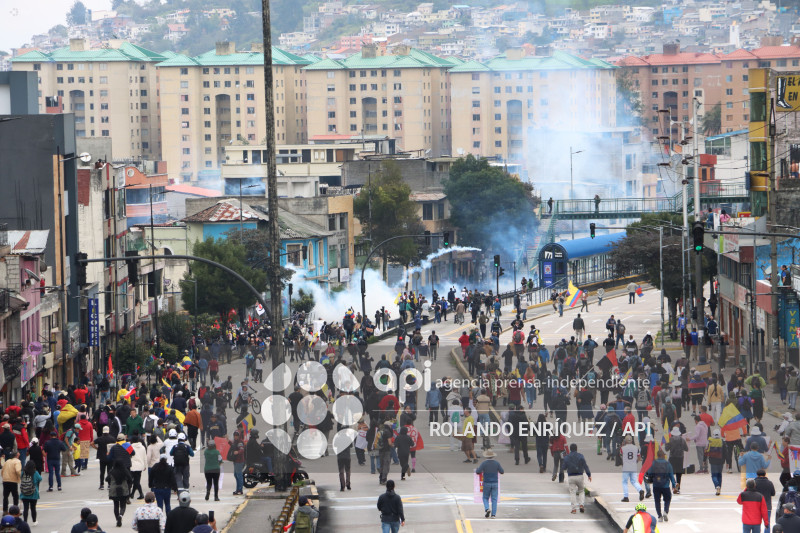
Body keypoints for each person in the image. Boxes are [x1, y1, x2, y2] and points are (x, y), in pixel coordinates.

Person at [646, 449, 676, 522]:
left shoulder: (654, 463)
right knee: (667, 499)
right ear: (663, 455)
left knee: (657, 501)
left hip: (656, 485)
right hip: (665, 485)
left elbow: (649, 473)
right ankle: (665, 511)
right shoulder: (667, 464)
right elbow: (671, 475)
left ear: (658, 455)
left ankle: (659, 516)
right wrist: (674, 485)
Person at [562, 443, 592, 514]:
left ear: (570, 449)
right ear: (576, 449)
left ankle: (574, 509)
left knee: (572, 492)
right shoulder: (581, 456)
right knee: (581, 491)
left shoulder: (567, 457)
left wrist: (564, 459)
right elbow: (585, 466)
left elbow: (564, 468)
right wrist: (589, 475)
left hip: (571, 477)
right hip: (579, 476)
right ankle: (581, 505)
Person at [475, 449, 504, 518]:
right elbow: (502, 471)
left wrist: (477, 469)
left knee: (485, 497)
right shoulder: (497, 463)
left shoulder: (484, 463)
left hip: (486, 482)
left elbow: (478, 471)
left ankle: (487, 508)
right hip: (495, 483)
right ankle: (493, 514)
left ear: (486, 456)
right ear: (493, 456)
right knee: (494, 499)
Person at [107, 460, 133, 527]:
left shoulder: (112, 471)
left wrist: (111, 482)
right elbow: (130, 479)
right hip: (123, 489)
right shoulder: (125, 471)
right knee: (123, 505)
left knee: (116, 505)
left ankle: (117, 519)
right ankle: (120, 515)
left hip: (114, 490)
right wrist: (129, 485)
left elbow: (107, 479)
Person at [620, 436, 644, 502]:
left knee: (624, 482)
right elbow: (639, 458)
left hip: (626, 466)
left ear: (625, 441)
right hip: (633, 466)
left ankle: (626, 497)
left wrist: (622, 445)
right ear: (632, 441)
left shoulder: (623, 448)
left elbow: (621, 454)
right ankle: (640, 490)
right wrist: (635, 462)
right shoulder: (636, 448)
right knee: (634, 481)